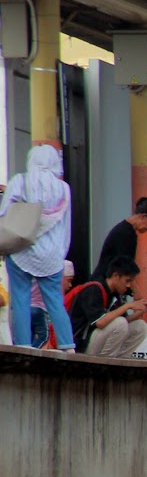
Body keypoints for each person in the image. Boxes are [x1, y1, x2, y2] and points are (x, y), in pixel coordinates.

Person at [1, 144, 75, 350]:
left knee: (21, 299)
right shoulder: (63, 189)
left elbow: (4, 213)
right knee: (54, 301)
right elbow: (66, 225)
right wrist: (60, 253)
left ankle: (24, 345)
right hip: (51, 254)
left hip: (20, 250)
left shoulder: (20, 181)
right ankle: (67, 344)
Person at [67, 256, 147, 358]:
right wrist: (127, 306)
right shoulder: (94, 289)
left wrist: (143, 309)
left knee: (140, 326)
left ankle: (120, 362)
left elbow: (125, 320)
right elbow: (100, 322)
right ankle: (106, 366)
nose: (129, 285)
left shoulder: (115, 293)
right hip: (81, 346)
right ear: (116, 276)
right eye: (127, 281)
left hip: (98, 340)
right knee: (119, 323)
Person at [90, 197, 147, 285]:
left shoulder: (127, 231)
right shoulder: (125, 233)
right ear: (143, 216)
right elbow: (124, 267)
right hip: (103, 283)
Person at [31, 259, 72, 347]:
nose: (70, 285)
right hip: (40, 309)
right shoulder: (51, 277)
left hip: (27, 308)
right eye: (69, 280)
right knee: (44, 336)